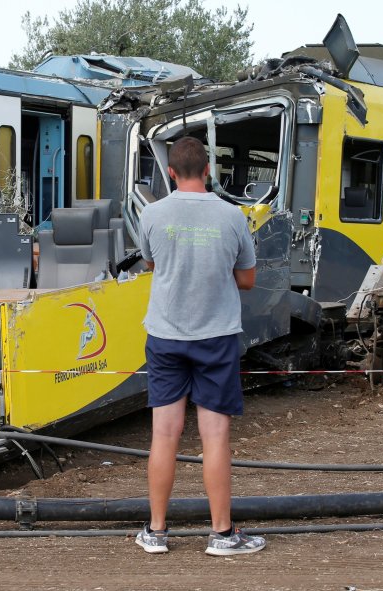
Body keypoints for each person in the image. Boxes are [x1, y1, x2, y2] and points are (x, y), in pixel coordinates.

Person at [134, 136, 265, 556]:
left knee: (163, 435)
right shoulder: (233, 216)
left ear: (171, 173)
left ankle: (155, 532)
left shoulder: (151, 214)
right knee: (215, 437)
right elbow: (247, 280)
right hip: (216, 337)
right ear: (208, 170)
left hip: (166, 336)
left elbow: (152, 263)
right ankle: (222, 535)